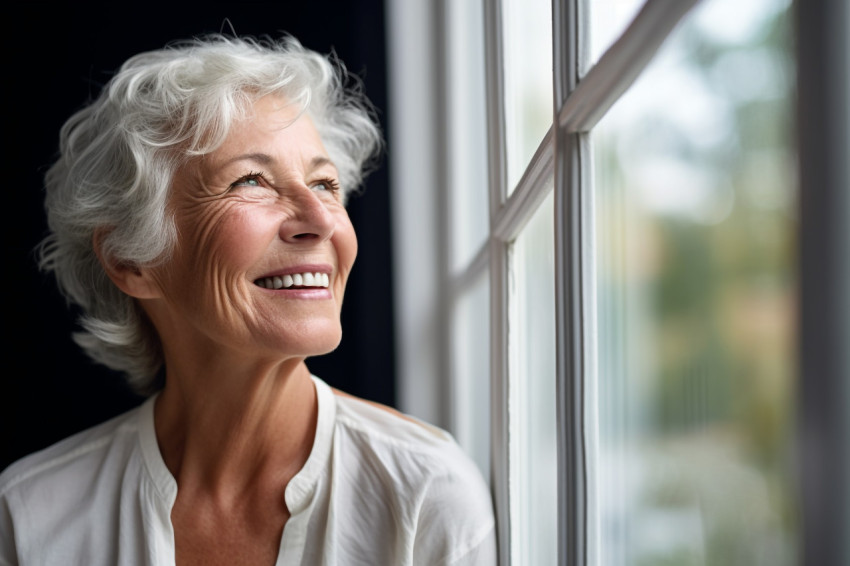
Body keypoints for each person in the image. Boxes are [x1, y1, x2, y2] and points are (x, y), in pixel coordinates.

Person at [0, 34, 496, 565]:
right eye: (251, 180)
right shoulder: (33, 513)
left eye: (325, 184)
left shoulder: (425, 494)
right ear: (130, 260)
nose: (321, 218)